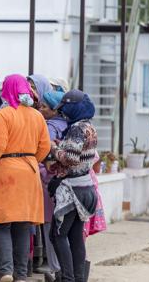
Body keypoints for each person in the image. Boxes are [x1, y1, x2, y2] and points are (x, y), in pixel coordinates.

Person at [0, 74, 51, 282]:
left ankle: (6, 271)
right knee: (22, 224)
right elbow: (45, 147)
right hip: (29, 172)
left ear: (8, 90)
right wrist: (30, 160)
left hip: (5, 171)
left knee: (1, 223)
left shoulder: (4, 114)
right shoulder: (37, 116)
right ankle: (21, 274)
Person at [48, 90, 98, 282]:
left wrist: (54, 148)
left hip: (72, 190)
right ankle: (79, 278)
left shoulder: (76, 128)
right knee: (76, 237)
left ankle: (67, 278)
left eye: (66, 109)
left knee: (57, 235)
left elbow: (71, 157)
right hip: (86, 188)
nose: (63, 113)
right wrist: (64, 146)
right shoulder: (89, 127)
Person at [37, 91, 67, 282]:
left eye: (44, 107)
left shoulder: (49, 128)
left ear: (55, 109)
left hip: (50, 181)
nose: (40, 109)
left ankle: (57, 270)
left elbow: (44, 153)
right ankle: (68, 269)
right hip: (68, 185)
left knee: (50, 227)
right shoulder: (70, 125)